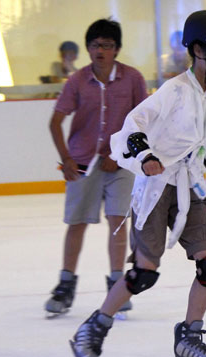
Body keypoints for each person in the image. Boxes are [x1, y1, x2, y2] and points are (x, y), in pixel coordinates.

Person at [69, 10, 206, 357]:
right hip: (158, 187)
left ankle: (189, 337)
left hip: (191, 187)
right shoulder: (174, 90)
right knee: (144, 273)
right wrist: (144, 156)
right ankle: (94, 327)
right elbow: (133, 124)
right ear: (199, 50)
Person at [45, 19, 147, 317]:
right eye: (95, 45)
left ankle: (118, 284)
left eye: (106, 45)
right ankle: (65, 284)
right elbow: (55, 121)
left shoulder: (132, 79)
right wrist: (65, 159)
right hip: (82, 162)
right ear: (88, 48)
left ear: (117, 49)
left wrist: (120, 154)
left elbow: (143, 121)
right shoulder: (77, 81)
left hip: (122, 163)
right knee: (76, 223)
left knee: (118, 221)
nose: (100, 50)